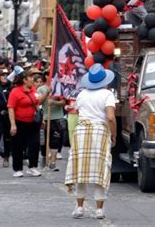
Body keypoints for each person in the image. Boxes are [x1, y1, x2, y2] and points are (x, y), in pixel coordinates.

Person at [64, 64, 117, 219]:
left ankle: (79, 207)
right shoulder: (107, 94)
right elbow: (111, 117)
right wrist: (113, 134)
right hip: (99, 132)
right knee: (100, 168)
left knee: (81, 169)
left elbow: (79, 111)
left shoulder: (82, 94)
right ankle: (99, 209)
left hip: (81, 131)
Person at [8, 70, 48, 178]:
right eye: (30, 78)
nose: (33, 80)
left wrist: (47, 93)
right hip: (19, 122)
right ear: (24, 80)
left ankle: (33, 167)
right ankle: (17, 168)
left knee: (35, 144)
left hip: (33, 122)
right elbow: (11, 108)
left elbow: (37, 103)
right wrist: (13, 124)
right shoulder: (15, 91)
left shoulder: (33, 90)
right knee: (18, 146)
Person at [36, 74, 66, 171]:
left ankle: (53, 162)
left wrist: (54, 102)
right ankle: (44, 159)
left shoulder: (59, 87)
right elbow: (38, 102)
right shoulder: (41, 89)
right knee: (43, 141)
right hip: (45, 118)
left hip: (57, 118)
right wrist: (47, 93)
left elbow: (64, 102)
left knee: (55, 140)